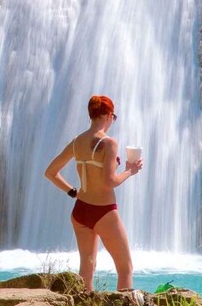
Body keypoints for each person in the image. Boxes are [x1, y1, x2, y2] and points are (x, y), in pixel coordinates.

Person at [44, 95, 143, 291]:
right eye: (113, 117)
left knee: (87, 270)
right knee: (125, 268)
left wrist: (73, 192)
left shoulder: (76, 142)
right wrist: (130, 171)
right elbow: (109, 182)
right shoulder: (109, 143)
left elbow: (50, 173)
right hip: (104, 212)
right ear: (108, 115)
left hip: (80, 211)